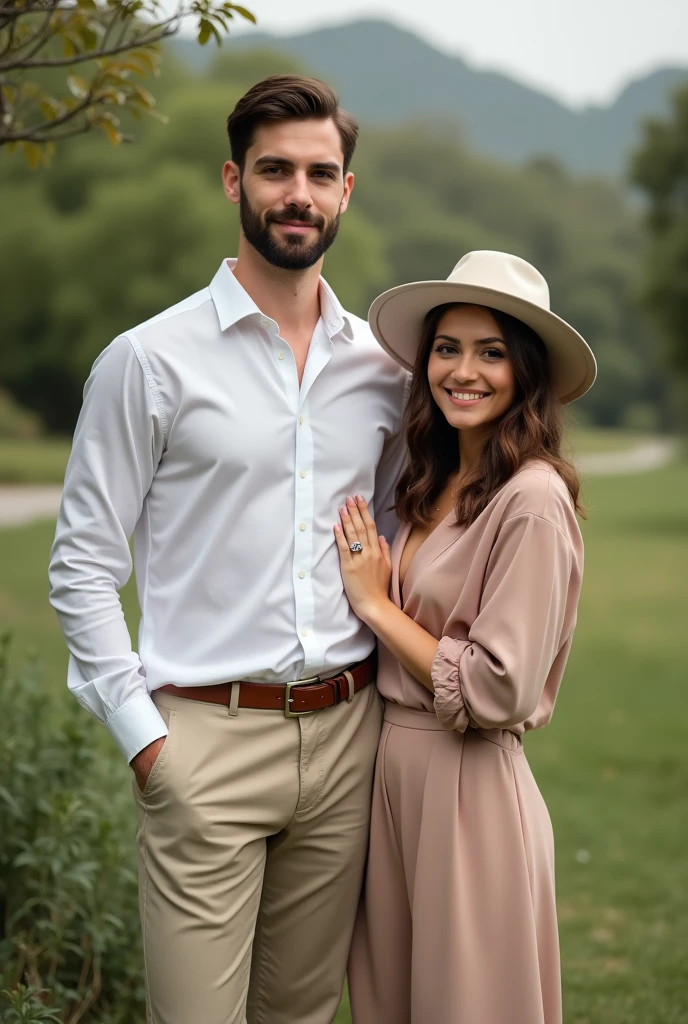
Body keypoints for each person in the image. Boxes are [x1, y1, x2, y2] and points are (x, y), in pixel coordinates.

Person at [48, 75, 408, 1024]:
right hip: (202, 742)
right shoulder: (149, 361)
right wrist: (147, 743)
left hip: (345, 741)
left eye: (319, 172)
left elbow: (410, 534)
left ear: (346, 191)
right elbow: (83, 561)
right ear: (231, 180)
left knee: (298, 1016)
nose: (298, 191)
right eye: (275, 169)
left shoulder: (381, 369)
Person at [333, 250, 597, 1024]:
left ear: (526, 372)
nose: (464, 371)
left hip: (468, 793)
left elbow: (495, 686)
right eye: (448, 348)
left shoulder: (534, 499)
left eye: (491, 352)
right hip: (393, 785)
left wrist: (378, 608)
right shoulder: (431, 479)